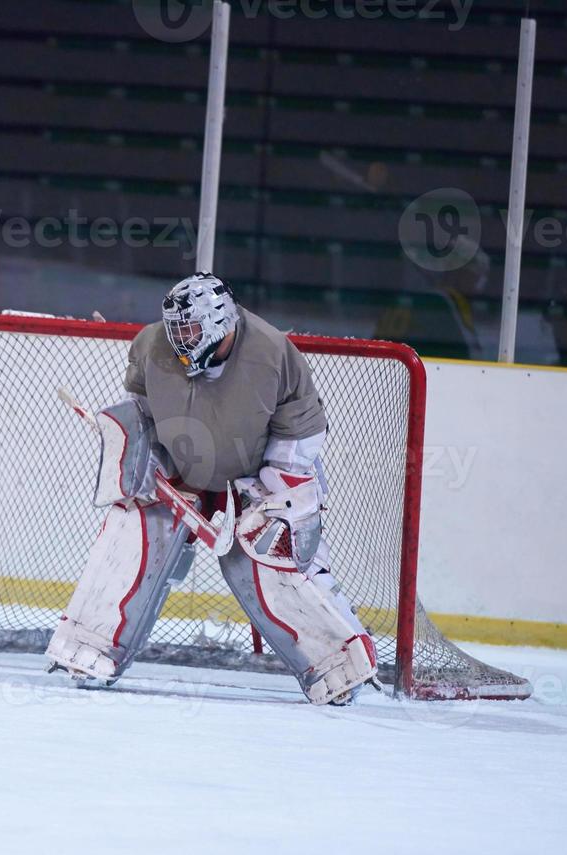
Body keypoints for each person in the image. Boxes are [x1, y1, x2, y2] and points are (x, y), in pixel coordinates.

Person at [45, 273, 379, 706]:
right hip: (185, 470)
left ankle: (342, 667)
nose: (180, 339)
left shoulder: (272, 350)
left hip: (260, 474)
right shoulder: (151, 346)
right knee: (133, 530)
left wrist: (273, 496)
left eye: (191, 329)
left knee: (269, 552)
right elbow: (145, 412)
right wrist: (144, 458)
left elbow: (302, 431)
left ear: (220, 323)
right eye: (175, 329)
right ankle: (88, 650)